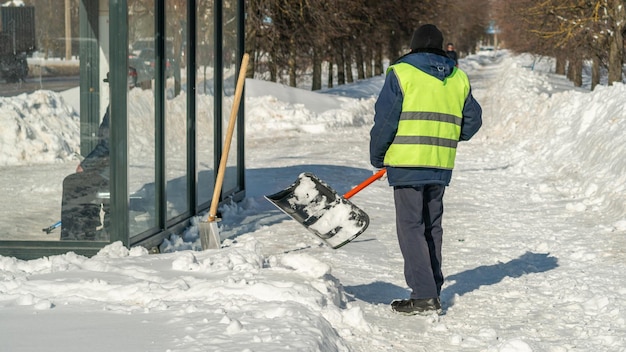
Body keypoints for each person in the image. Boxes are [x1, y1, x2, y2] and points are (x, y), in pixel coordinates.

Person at [369, 24, 482, 315]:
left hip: (407, 163)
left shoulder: (402, 72)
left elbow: (385, 119)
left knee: (410, 227)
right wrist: (445, 136)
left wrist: (378, 155)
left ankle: (423, 295)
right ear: (442, 48)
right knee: (432, 226)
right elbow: (472, 121)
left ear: (413, 46)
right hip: (439, 163)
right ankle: (431, 288)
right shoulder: (458, 77)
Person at [60, 76, 110, 241]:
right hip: (115, 168)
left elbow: (108, 143)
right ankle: (85, 229)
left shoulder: (120, 106)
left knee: (73, 182)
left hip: (114, 173)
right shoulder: (131, 104)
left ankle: (76, 237)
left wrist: (86, 165)